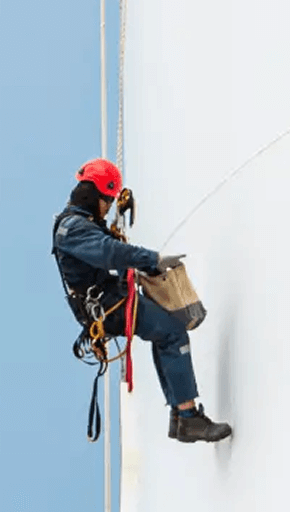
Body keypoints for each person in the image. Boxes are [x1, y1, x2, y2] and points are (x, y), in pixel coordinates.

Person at [52, 158, 232, 445]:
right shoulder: (72, 229)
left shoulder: (80, 224)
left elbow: (108, 246)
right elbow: (109, 252)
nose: (108, 206)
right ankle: (187, 417)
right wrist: (153, 260)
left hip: (110, 300)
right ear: (93, 195)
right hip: (108, 307)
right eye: (107, 200)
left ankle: (182, 415)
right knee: (172, 332)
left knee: (167, 334)